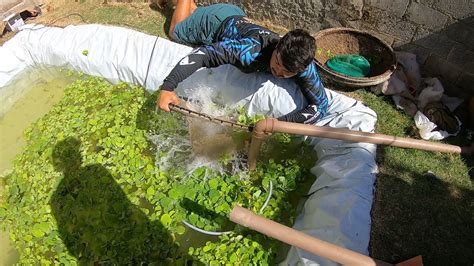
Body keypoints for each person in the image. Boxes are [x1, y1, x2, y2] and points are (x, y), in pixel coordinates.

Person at [155, 0, 328, 124]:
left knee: (191, 15)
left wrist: (276, 124)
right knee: (175, 32)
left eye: (287, 72)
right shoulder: (249, 51)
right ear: (277, 48)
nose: (279, 73)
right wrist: (168, 87)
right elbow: (202, 55)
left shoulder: (303, 64)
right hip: (212, 23)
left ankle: (191, 9)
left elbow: (321, 107)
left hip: (234, 16)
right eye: (277, 63)